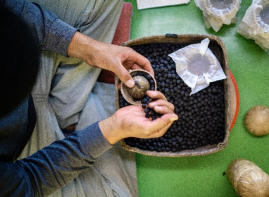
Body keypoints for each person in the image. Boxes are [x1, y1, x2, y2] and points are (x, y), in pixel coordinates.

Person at [0, 1, 178, 197]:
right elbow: (29, 180)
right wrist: (115, 127)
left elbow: (15, 9)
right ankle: (69, 121)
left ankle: (68, 117)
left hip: (27, 78)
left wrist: (91, 50)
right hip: (22, 148)